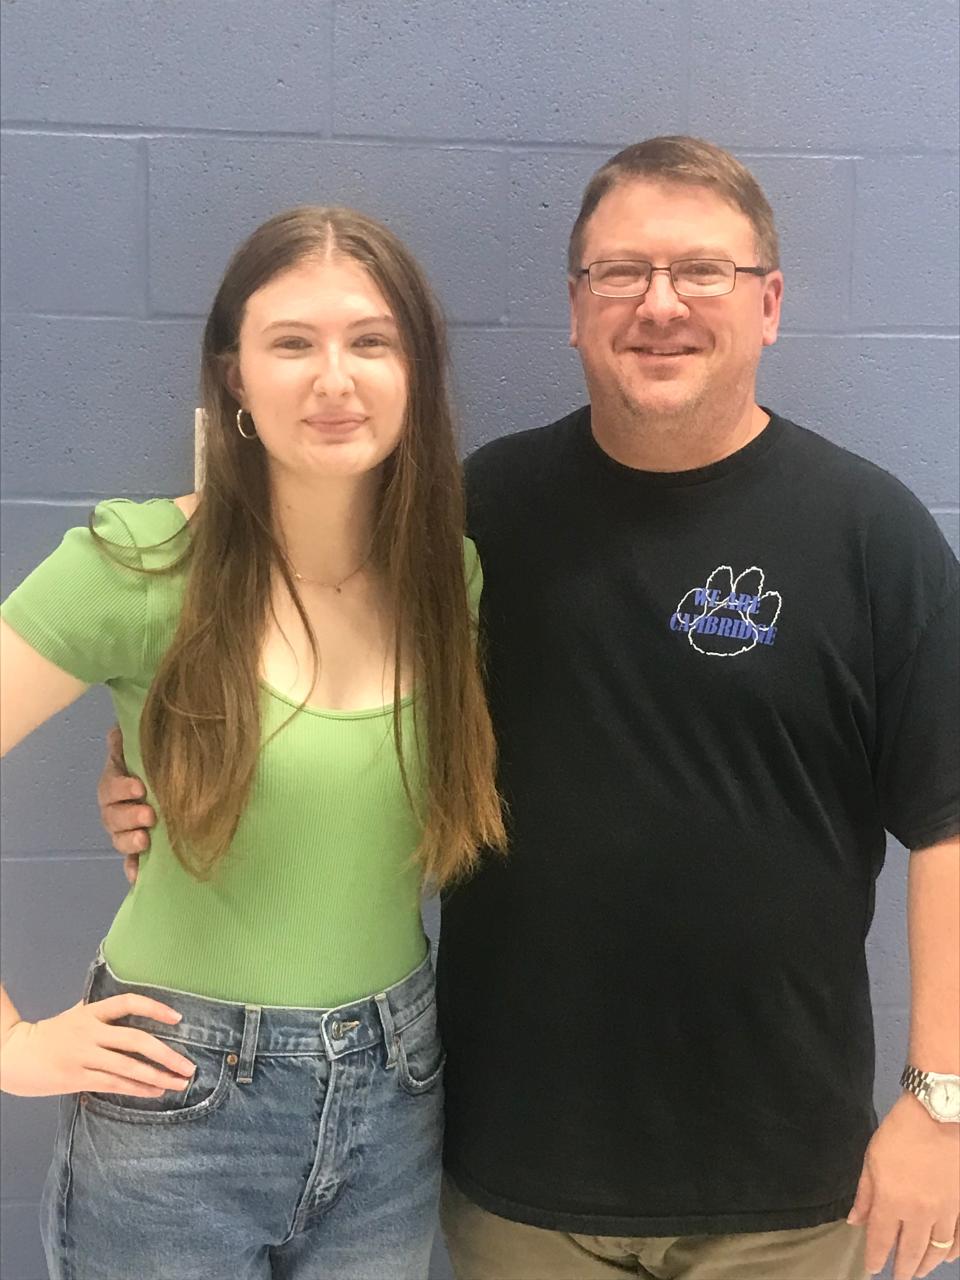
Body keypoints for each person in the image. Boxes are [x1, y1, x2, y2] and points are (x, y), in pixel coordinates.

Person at [99, 139, 960, 1280]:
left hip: (786, 1182)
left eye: (702, 270)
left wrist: (938, 1102)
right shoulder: (473, 522)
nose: (660, 304)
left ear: (769, 303)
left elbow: (949, 819)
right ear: (574, 308)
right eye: (621, 273)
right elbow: (275, 638)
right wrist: (143, 769)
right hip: (514, 1179)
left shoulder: (873, 533)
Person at [0, 204, 504, 1280]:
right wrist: (7, 1044)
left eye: (371, 340)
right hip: (178, 1105)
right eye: (293, 342)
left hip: (396, 1092)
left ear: (415, 369)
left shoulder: (444, 580)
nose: (335, 376)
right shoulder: (135, 566)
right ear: (234, 376)